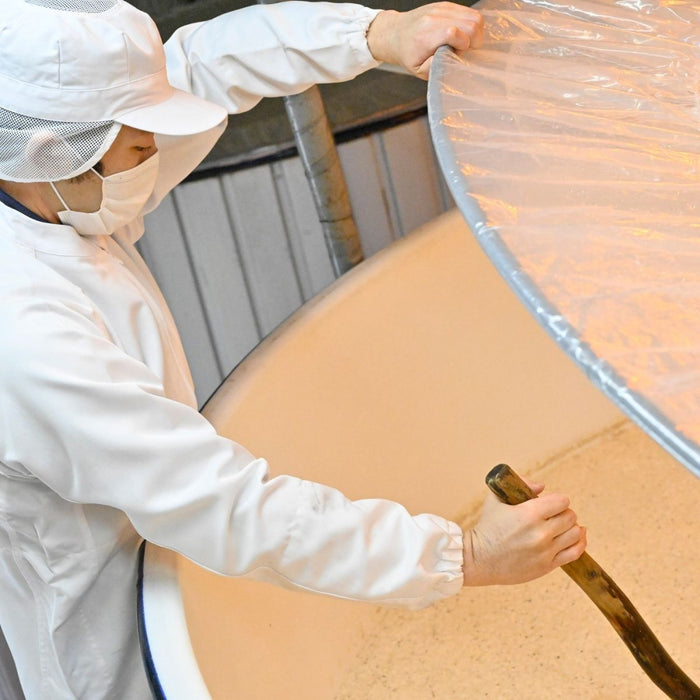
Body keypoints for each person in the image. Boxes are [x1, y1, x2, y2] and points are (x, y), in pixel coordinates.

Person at [0, 0, 586, 697]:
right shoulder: (29, 330)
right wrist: (463, 555)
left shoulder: (55, 189)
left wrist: (378, 35)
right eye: (138, 149)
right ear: (55, 153)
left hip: (155, 542)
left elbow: (205, 63)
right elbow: (220, 503)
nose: (155, 161)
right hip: (106, 640)